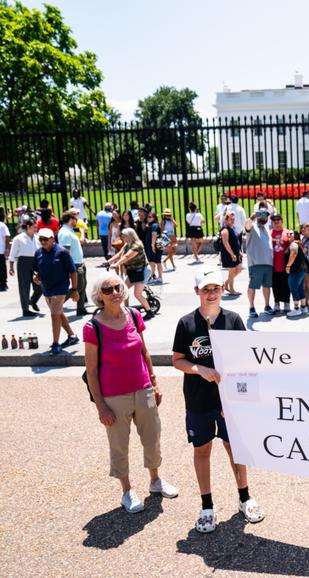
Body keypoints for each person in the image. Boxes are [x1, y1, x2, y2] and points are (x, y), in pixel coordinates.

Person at [172, 268, 265, 533]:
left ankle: (245, 497)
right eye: (206, 289)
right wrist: (198, 369)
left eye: (215, 289)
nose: (211, 294)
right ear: (197, 292)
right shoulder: (186, 323)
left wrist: (237, 400)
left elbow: (246, 360)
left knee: (235, 448)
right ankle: (207, 506)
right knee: (202, 450)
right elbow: (177, 359)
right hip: (198, 399)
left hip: (229, 402)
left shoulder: (233, 320)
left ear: (222, 290)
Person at [84, 273, 177, 514]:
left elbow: (145, 353)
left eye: (118, 286)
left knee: (152, 437)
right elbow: (92, 372)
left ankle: (155, 480)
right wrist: (100, 406)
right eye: (108, 290)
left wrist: (154, 383)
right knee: (119, 444)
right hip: (114, 397)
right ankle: (127, 490)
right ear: (99, 297)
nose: (115, 291)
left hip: (143, 388)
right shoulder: (92, 327)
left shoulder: (134, 316)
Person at [32, 228, 79, 355]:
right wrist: (36, 277)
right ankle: (72, 336)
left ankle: (55, 344)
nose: (43, 242)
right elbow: (36, 270)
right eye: (40, 239)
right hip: (46, 289)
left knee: (54, 315)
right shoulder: (38, 253)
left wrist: (74, 290)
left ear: (53, 239)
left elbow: (73, 271)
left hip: (61, 288)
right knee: (58, 313)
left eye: (45, 239)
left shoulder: (62, 252)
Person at [106, 228, 154, 318]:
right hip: (134, 271)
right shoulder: (127, 245)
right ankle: (127, 310)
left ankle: (149, 312)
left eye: (123, 236)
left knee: (137, 294)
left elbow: (127, 256)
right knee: (123, 290)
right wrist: (109, 261)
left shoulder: (137, 245)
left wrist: (116, 264)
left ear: (129, 236)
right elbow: (120, 254)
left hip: (143, 271)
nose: (122, 238)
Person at [244, 208, 274, 318]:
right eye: (261, 214)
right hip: (255, 263)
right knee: (253, 285)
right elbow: (247, 225)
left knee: (267, 286)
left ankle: (267, 306)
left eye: (266, 215)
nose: (264, 217)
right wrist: (253, 216)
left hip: (268, 263)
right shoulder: (252, 226)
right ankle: (251, 307)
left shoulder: (266, 228)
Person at [8, 220, 43, 316]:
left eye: (36, 227)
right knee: (24, 286)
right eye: (34, 227)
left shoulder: (37, 238)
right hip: (23, 262)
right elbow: (12, 253)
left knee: (40, 286)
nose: (36, 229)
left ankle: (33, 300)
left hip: (35, 262)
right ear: (28, 226)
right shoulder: (18, 238)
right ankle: (25, 309)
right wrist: (11, 267)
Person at [57, 211, 89, 315]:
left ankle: (81, 309)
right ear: (71, 220)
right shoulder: (65, 232)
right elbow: (66, 251)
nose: (77, 221)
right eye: (75, 219)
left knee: (82, 286)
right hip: (74, 264)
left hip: (79, 262)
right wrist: (70, 267)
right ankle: (57, 304)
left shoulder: (69, 230)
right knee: (78, 286)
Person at [284, 230, 309, 317]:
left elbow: (293, 254)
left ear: (296, 235)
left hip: (295, 271)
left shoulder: (293, 244)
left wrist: (288, 266)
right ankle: (303, 307)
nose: (288, 235)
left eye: (291, 234)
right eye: (288, 234)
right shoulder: (299, 244)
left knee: (293, 289)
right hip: (301, 270)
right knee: (300, 289)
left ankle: (296, 309)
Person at [270, 214, 291, 314]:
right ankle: (276, 303)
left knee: (286, 285)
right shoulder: (269, 233)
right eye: (274, 221)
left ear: (282, 221)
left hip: (285, 264)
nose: (276, 223)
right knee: (275, 285)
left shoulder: (287, 232)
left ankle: (286, 303)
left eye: (278, 221)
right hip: (273, 265)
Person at [219, 211, 243, 296]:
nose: (232, 221)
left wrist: (239, 252)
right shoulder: (225, 230)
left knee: (239, 269)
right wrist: (232, 254)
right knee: (232, 272)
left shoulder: (232, 228)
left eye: (233, 219)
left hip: (235, 253)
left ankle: (226, 283)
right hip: (228, 254)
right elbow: (226, 243)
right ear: (226, 220)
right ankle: (232, 290)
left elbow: (235, 241)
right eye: (230, 219)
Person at [144, 211, 163, 285]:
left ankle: (158, 277)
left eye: (150, 217)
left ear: (154, 218)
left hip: (154, 247)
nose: (148, 218)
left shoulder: (154, 225)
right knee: (154, 262)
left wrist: (152, 245)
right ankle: (155, 277)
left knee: (155, 262)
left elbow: (154, 235)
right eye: (147, 217)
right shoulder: (153, 225)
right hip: (154, 246)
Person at [0, 210, 9, 291]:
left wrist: (7, 248)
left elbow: (7, 237)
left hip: (1, 250)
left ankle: (3, 283)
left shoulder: (2, 225)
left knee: (2, 268)